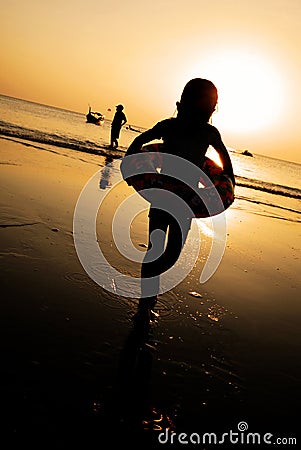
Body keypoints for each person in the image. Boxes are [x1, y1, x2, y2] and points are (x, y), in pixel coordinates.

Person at [123, 78, 235, 320]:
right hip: (163, 197)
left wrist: (228, 184)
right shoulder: (170, 126)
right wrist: (130, 164)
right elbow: (142, 140)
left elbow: (224, 159)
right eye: (209, 105)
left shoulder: (208, 132)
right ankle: (147, 299)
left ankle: (150, 283)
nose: (211, 110)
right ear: (187, 104)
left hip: (185, 200)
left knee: (171, 253)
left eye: (213, 106)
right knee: (157, 249)